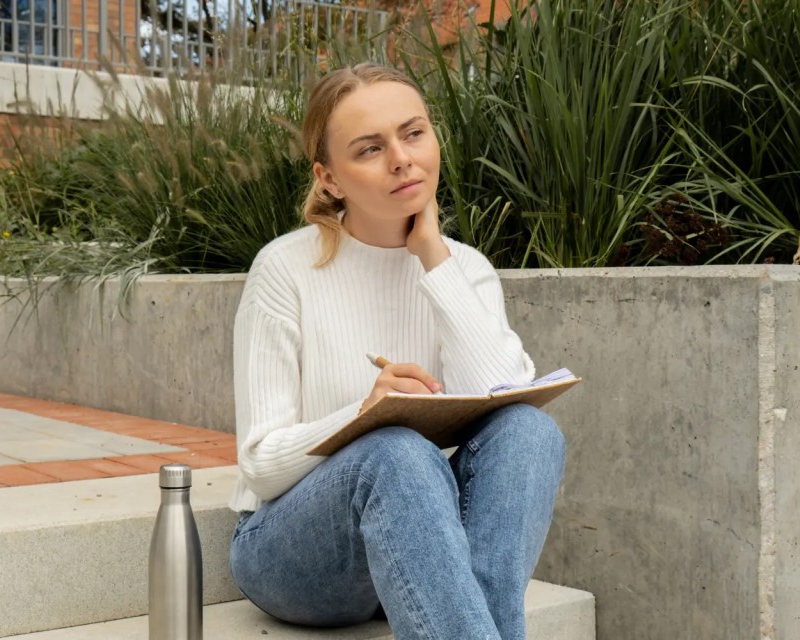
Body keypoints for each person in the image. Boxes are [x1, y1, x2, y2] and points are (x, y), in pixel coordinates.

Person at [228, 61, 566, 640]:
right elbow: (259, 465)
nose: (402, 158)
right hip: (293, 553)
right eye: (369, 148)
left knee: (532, 434)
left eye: (413, 133)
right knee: (396, 451)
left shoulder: (465, 270)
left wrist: (434, 257)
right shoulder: (285, 269)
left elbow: (508, 396)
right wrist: (364, 415)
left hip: (423, 544)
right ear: (329, 178)